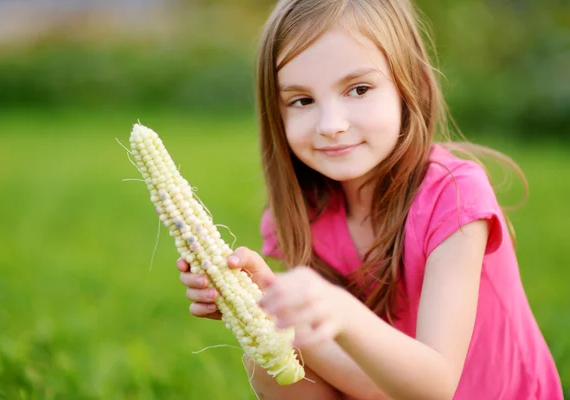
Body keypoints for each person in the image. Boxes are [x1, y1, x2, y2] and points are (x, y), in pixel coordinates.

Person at [176, 0, 564, 399]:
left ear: (407, 85)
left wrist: (337, 312)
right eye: (302, 100)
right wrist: (266, 303)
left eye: (358, 89)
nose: (331, 125)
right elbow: (370, 384)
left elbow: (435, 388)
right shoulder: (301, 216)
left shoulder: (455, 195)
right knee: (271, 358)